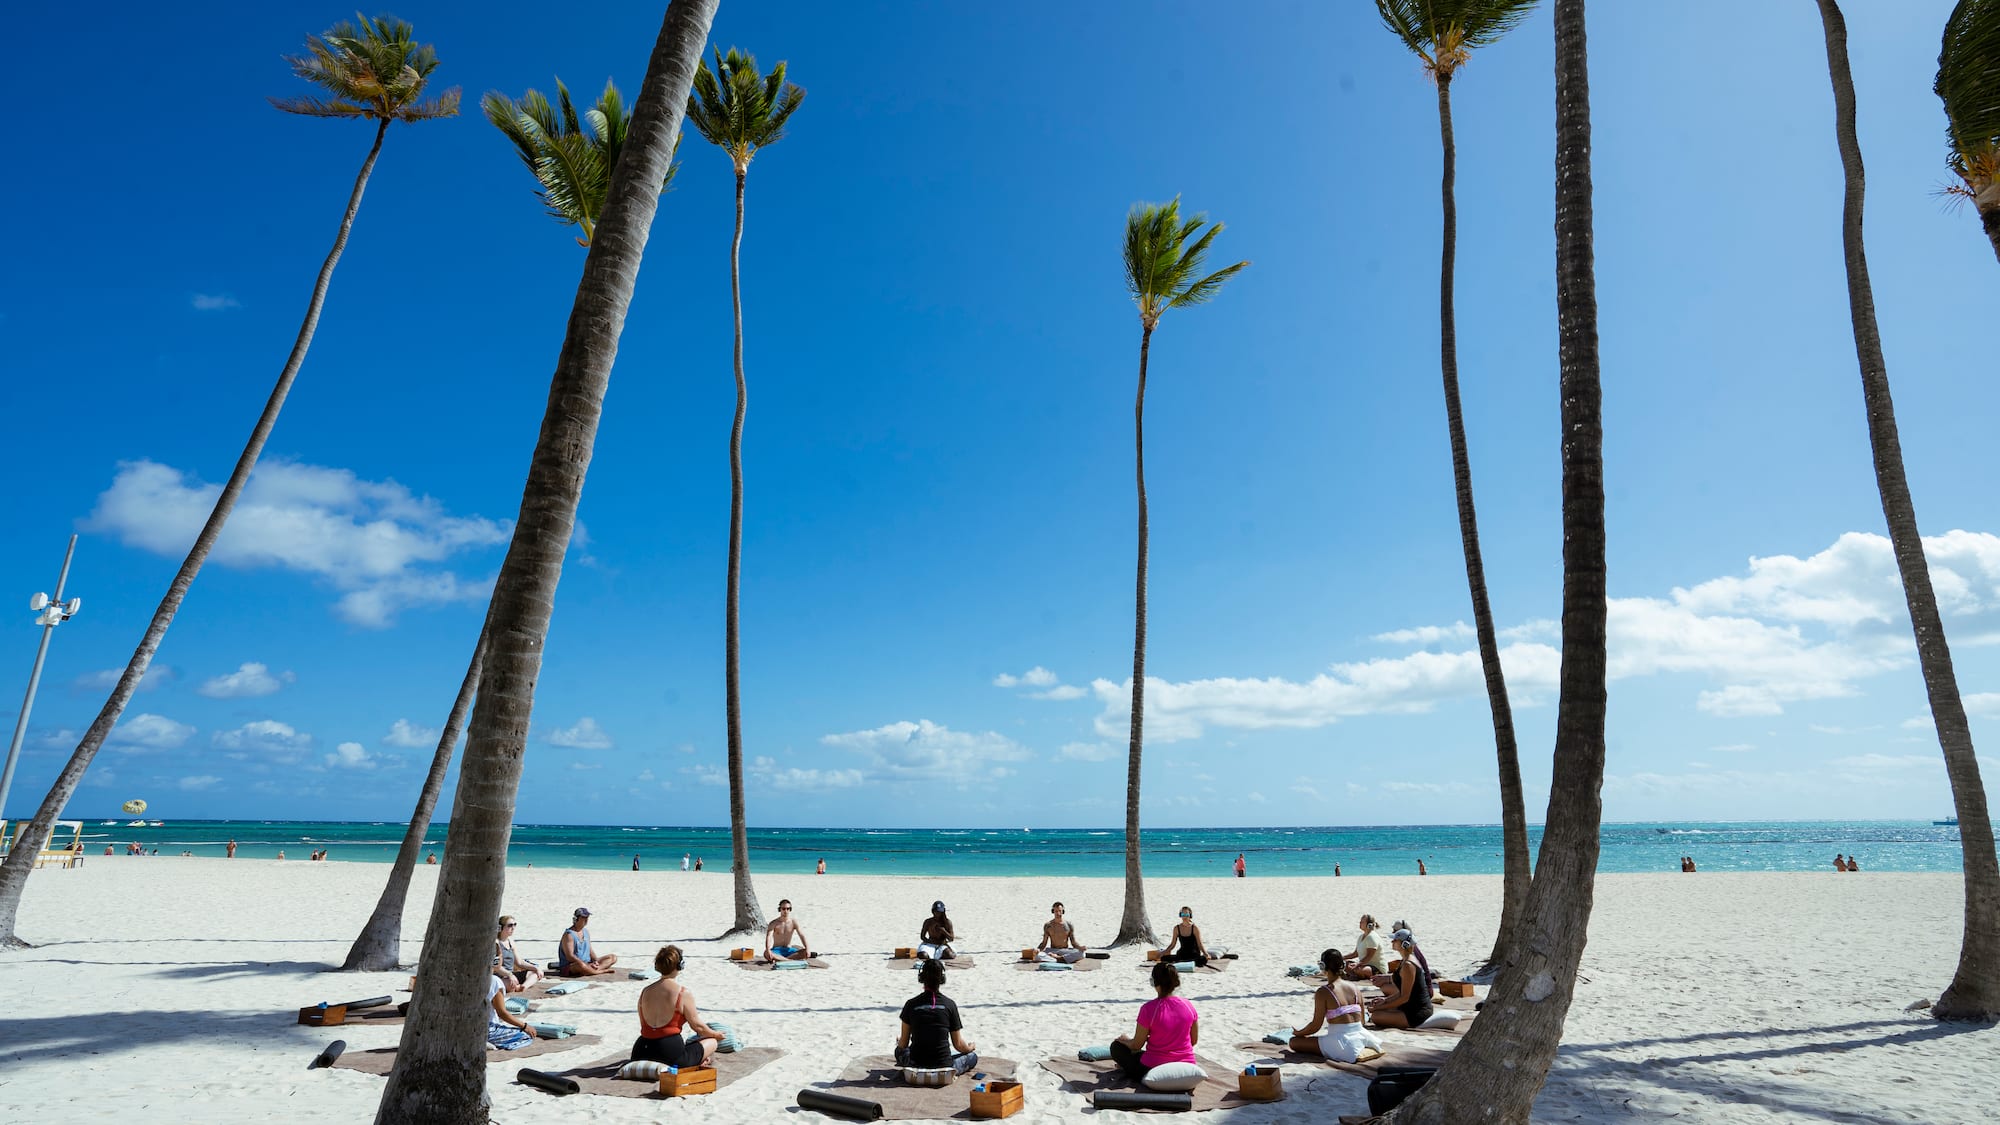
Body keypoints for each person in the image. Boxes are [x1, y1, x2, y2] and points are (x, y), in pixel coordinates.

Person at [631, 945, 724, 1067]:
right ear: (680, 965)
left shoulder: (646, 991)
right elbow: (698, 1027)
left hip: (641, 1050)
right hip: (669, 1052)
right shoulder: (683, 993)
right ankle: (701, 1060)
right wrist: (716, 1035)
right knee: (712, 1042)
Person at [1110, 961, 1200, 1082]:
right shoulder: (1188, 1005)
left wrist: (1124, 1040)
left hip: (1153, 1067)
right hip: (1186, 1064)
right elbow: (1193, 1040)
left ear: (1155, 983)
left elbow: (1137, 1045)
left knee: (1116, 1047)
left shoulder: (1148, 1009)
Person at [1288, 948, 1383, 1063]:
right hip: (1362, 1035)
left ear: (1323, 967)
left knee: (1294, 1042)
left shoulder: (1323, 992)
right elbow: (1362, 1020)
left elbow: (1315, 1026)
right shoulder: (1355, 988)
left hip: (1341, 1042)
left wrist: (1299, 1033)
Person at [896, 958, 980, 1074]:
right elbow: (958, 1044)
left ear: (921, 978)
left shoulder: (911, 1004)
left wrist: (899, 1042)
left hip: (916, 1064)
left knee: (899, 1051)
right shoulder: (949, 1004)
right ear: (942, 979)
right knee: (972, 1057)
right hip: (943, 1065)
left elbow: (903, 1044)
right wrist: (970, 1048)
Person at [1366, 929, 1434, 1029]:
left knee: (1376, 1016)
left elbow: (1404, 997)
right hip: (1410, 1007)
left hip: (1417, 1012)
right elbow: (1402, 992)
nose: (1392, 942)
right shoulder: (1405, 960)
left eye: (1395, 940)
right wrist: (1385, 1001)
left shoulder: (1408, 965)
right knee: (1378, 1011)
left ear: (1404, 944)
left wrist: (1381, 1006)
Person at [488, 968, 542, 1050]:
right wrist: (525, 1026)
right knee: (525, 1036)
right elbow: (502, 1013)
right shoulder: (493, 981)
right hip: (486, 1029)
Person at [557, 907, 619, 976]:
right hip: (573, 965)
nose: (586, 920)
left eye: (587, 917)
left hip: (588, 963)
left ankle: (592, 970)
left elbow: (590, 950)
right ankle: (599, 971)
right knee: (581, 965)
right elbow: (570, 956)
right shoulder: (569, 934)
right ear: (577, 918)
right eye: (584, 917)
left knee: (613, 957)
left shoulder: (585, 932)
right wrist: (583, 963)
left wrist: (595, 961)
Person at [495, 915, 544, 992]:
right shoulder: (496, 943)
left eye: (515, 925)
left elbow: (519, 962)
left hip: (511, 974)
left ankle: (523, 986)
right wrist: (509, 975)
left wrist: (536, 968)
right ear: (501, 927)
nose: (513, 928)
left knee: (535, 973)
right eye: (510, 925)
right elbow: (496, 967)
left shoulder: (510, 941)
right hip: (500, 975)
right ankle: (517, 986)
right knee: (509, 984)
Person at [1343, 914, 1387, 980]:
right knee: (1343, 964)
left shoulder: (1372, 937)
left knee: (1358, 969)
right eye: (1360, 921)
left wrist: (1358, 964)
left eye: (1362, 922)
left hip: (1376, 968)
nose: (1360, 923)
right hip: (1364, 965)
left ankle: (1355, 974)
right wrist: (1341, 957)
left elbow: (1369, 956)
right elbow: (1355, 954)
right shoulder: (1361, 937)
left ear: (1369, 925)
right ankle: (1354, 975)